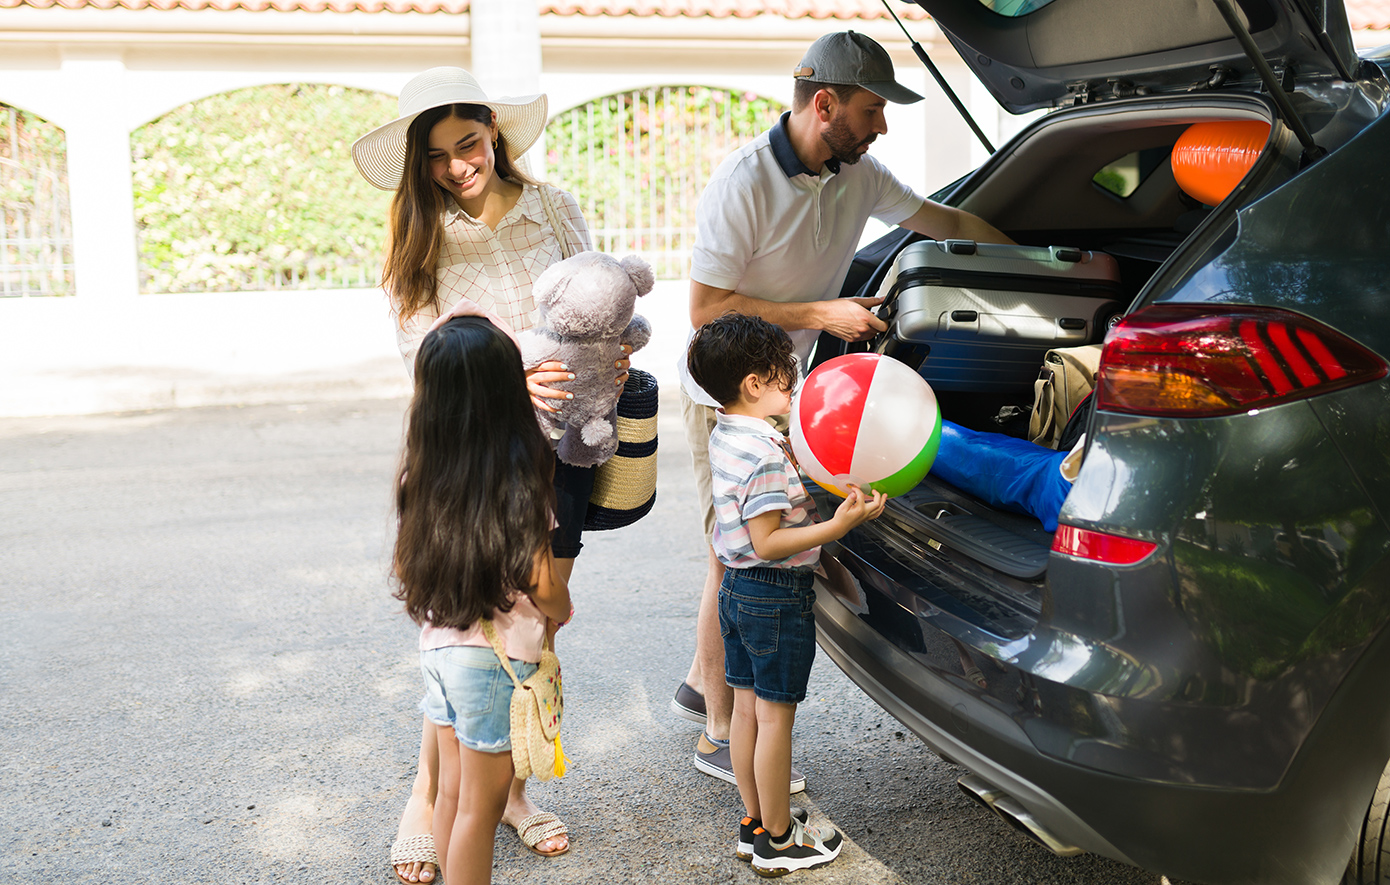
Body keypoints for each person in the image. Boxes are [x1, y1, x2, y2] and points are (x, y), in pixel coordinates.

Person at [671, 30, 1014, 789]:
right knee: (736, 556)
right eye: (872, 109)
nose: (883, 125)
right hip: (728, 396)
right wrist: (824, 314)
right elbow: (705, 310)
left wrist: (1028, 256)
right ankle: (719, 734)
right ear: (824, 104)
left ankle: (705, 680)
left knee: (749, 549)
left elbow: (942, 221)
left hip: (785, 392)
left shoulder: (855, 173)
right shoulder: (744, 182)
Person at [352, 66, 628, 882]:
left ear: (494, 133)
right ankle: (430, 790)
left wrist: (599, 361)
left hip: (564, 444)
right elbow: (421, 355)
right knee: (466, 622)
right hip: (477, 446)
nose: (456, 165)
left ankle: (504, 788)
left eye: (466, 143)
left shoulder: (552, 207)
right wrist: (514, 373)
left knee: (533, 620)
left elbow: (599, 299)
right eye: (435, 155)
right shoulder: (419, 231)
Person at [687, 313, 886, 875]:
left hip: (738, 593)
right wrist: (837, 527)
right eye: (786, 376)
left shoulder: (728, 433)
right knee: (775, 721)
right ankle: (779, 840)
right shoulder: (767, 453)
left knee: (748, 714)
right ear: (755, 383)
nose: (794, 386)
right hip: (774, 594)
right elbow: (770, 541)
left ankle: (756, 823)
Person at [392, 316, 574, 885]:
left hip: (440, 652)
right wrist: (561, 609)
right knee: (480, 808)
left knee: (450, 793)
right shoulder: (518, 481)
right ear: (506, 393)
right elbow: (541, 582)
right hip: (494, 666)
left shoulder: (421, 474)